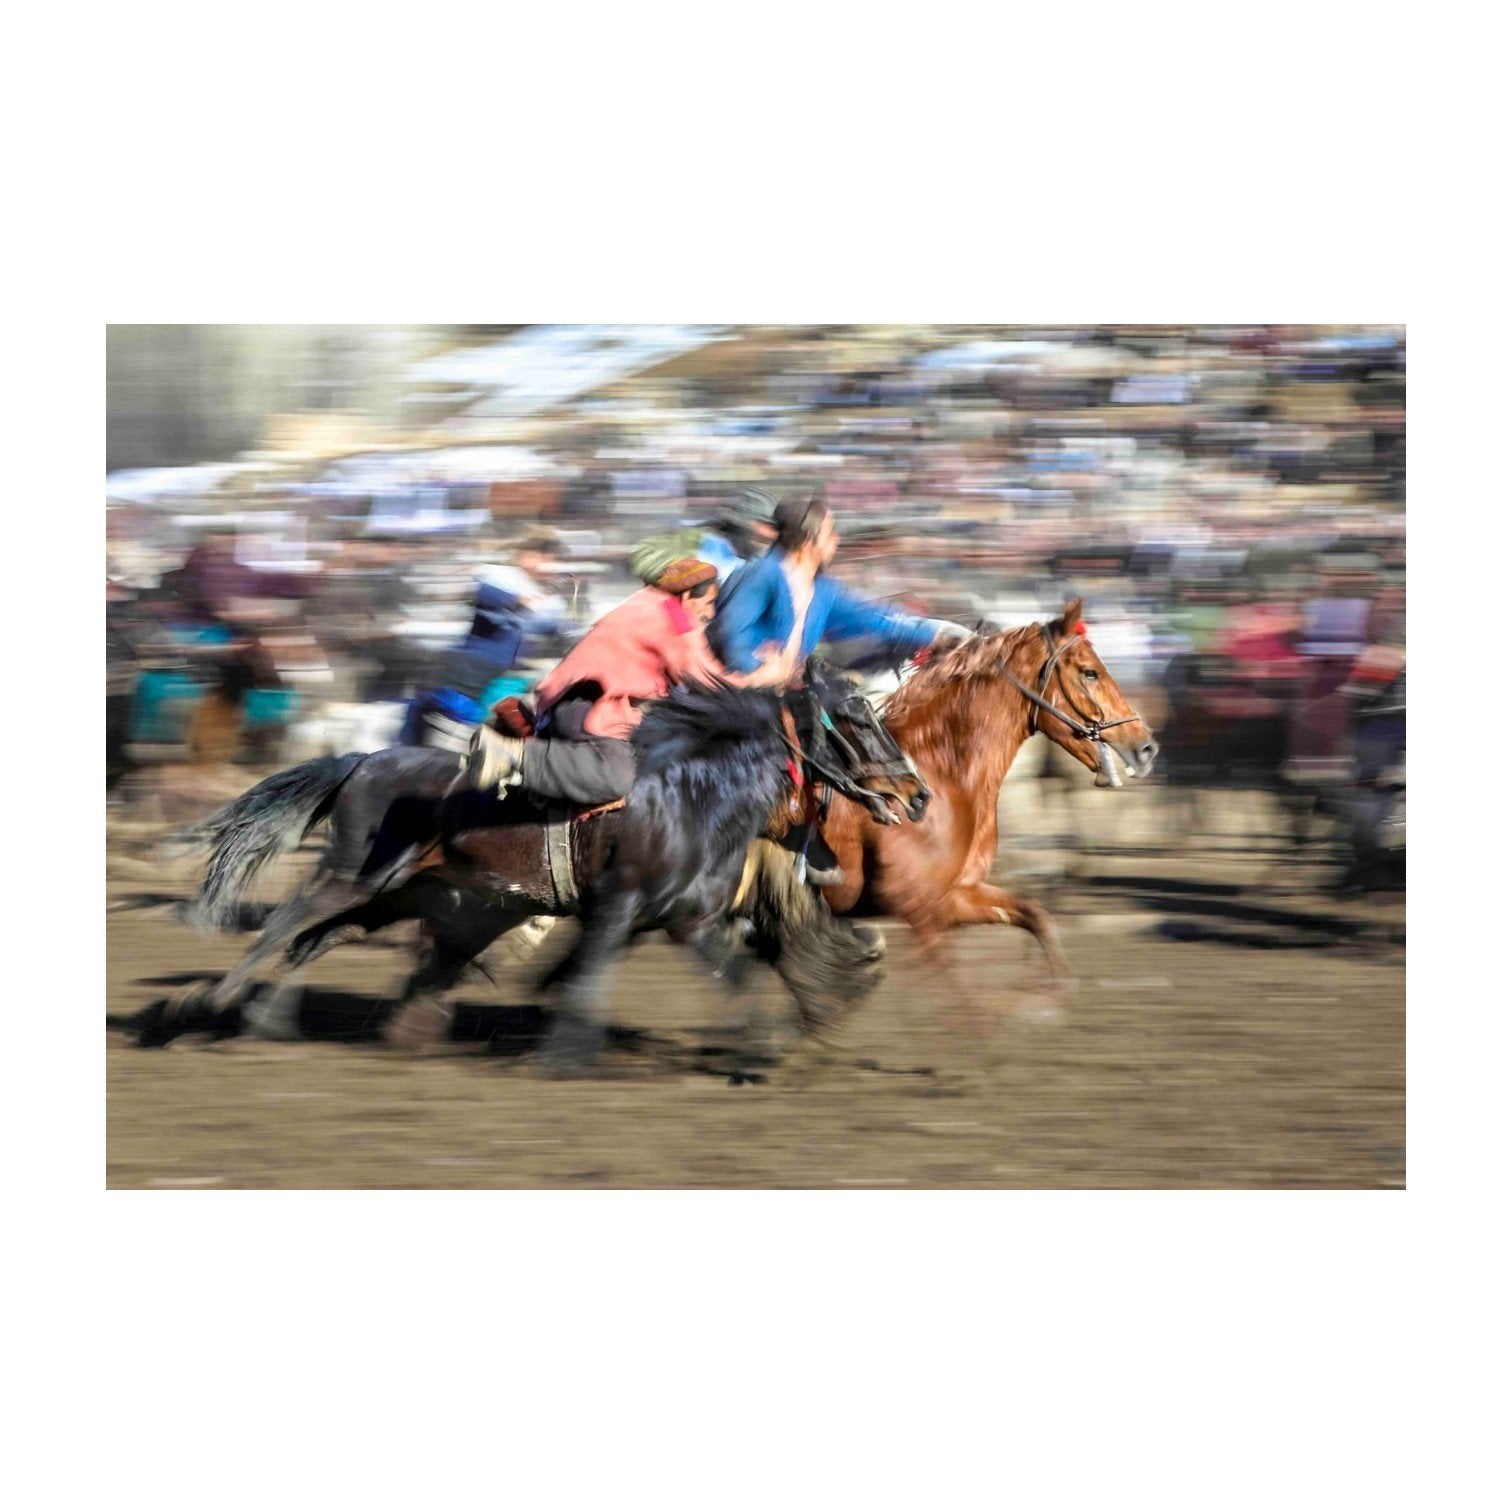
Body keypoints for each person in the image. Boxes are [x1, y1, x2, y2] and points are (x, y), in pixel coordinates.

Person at [465, 557, 794, 807]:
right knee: (620, 776)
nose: (709, 614)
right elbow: (705, 680)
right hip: (585, 707)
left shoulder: (650, 604)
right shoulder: (671, 616)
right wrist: (763, 676)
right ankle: (511, 757)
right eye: (707, 604)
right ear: (687, 597)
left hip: (582, 702)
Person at [708, 494, 969, 677]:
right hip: (739, 697)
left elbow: (880, 620)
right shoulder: (760, 574)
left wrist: (943, 633)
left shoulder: (824, 590)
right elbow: (730, 636)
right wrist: (759, 671)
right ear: (808, 540)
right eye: (830, 533)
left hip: (785, 695)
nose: (837, 540)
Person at [628, 485, 781, 588]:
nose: (773, 533)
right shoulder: (698, 541)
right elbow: (644, 553)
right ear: (746, 522)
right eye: (769, 525)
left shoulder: (772, 557)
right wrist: (682, 572)